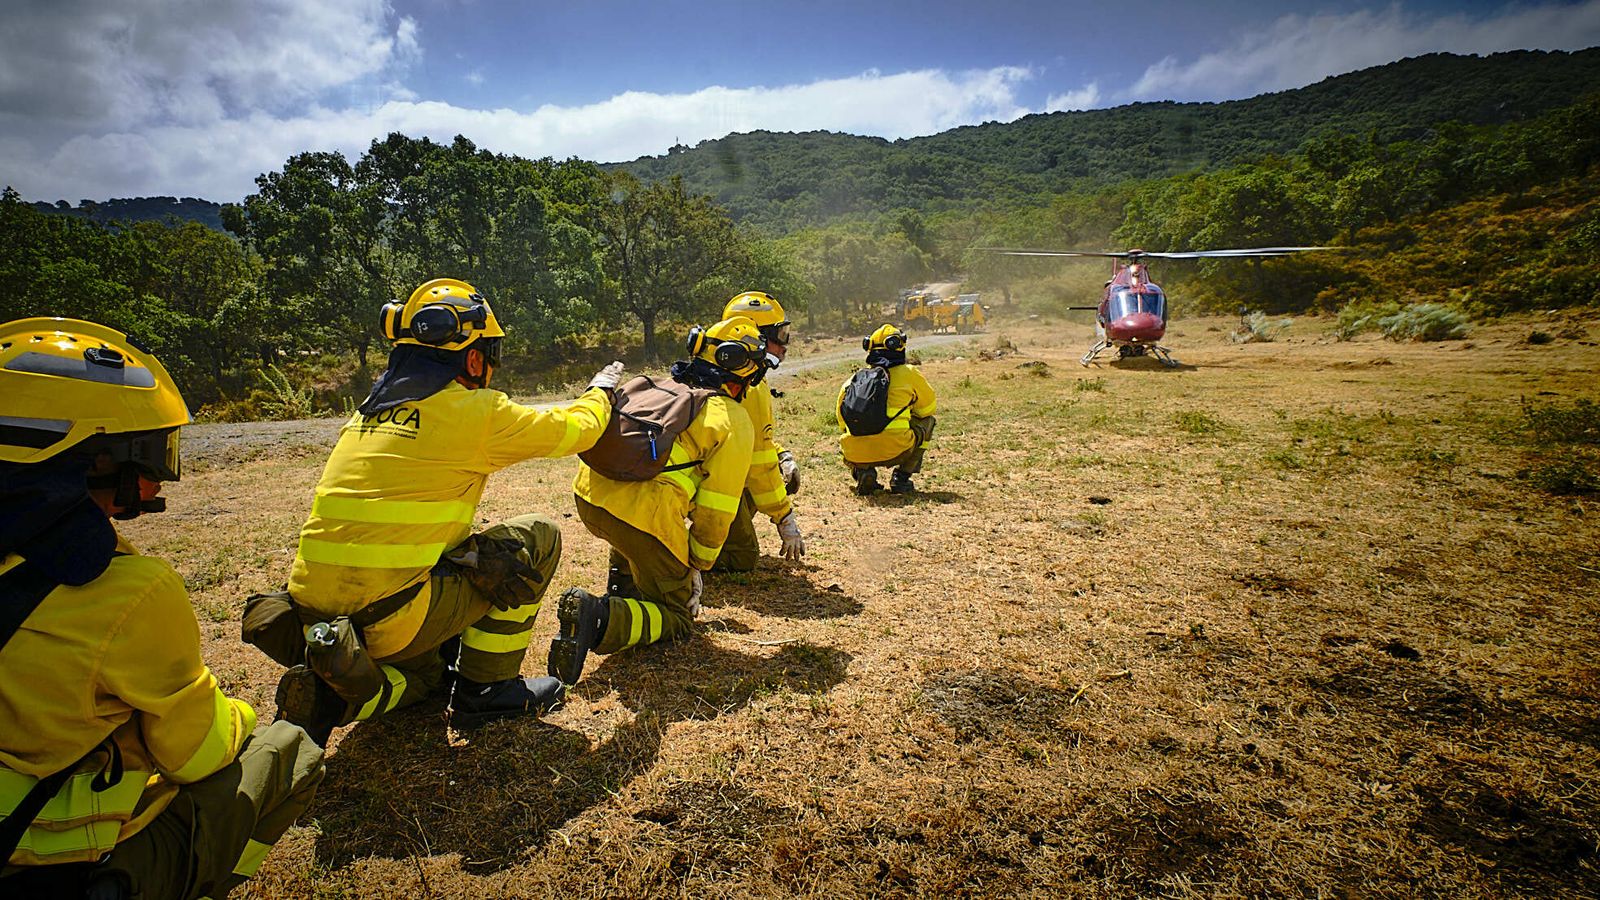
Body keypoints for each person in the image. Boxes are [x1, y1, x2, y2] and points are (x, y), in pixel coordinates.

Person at [0, 318, 325, 899]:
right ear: (94, 460)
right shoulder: (127, 592)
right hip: (45, 868)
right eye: (147, 455)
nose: (154, 484)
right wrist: (241, 718)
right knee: (289, 752)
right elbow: (196, 753)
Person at [245, 278, 624, 743]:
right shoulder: (474, 411)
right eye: (490, 354)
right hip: (394, 616)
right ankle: (487, 690)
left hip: (314, 617)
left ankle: (333, 699)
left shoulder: (367, 411)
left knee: (427, 679)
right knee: (539, 536)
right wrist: (601, 391)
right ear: (472, 356)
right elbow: (577, 429)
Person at [549, 317, 761, 686]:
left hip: (587, 497)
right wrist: (697, 564)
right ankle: (599, 618)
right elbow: (717, 509)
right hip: (640, 519)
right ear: (742, 372)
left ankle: (623, 590)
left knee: (634, 532)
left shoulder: (654, 385)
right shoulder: (731, 417)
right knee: (676, 615)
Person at [710, 291, 804, 572]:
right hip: (705, 482)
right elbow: (758, 464)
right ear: (754, 338)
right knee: (742, 559)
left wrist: (781, 455)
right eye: (780, 335)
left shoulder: (735, 376)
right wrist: (784, 518)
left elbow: (751, 443)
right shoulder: (747, 389)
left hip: (710, 475)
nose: (785, 345)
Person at [837, 324, 938, 495]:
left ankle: (863, 472)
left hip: (855, 454)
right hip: (897, 450)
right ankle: (901, 478)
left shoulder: (854, 380)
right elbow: (928, 409)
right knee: (928, 422)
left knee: (848, 435)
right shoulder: (910, 373)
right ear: (899, 346)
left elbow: (841, 422)